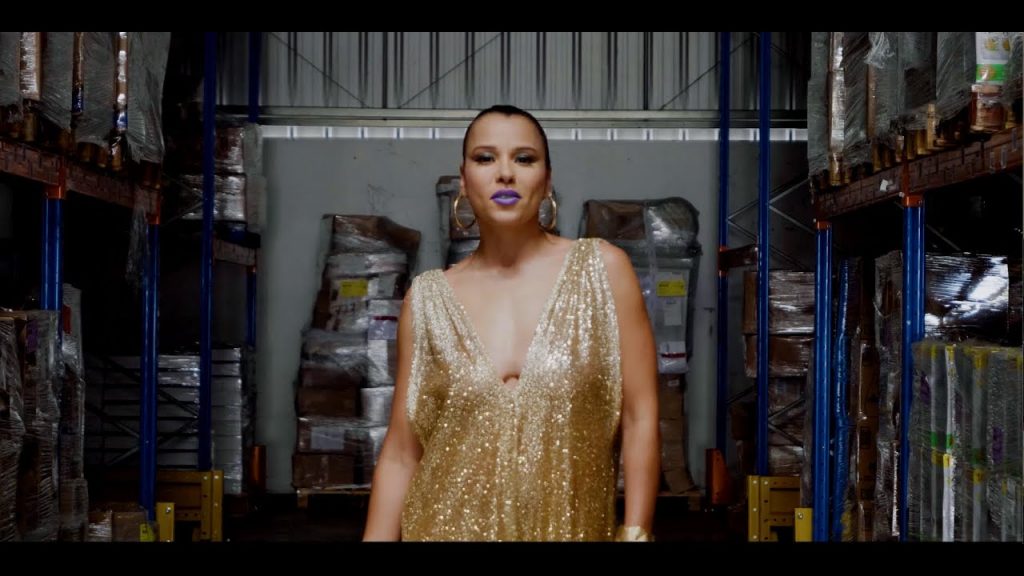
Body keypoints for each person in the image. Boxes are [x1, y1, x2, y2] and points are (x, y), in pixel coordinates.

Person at [362, 105, 660, 541]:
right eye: (485, 158)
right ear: (464, 180)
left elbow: (640, 416)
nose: (505, 173)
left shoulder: (602, 271)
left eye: (524, 158)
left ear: (548, 179)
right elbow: (402, 453)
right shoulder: (426, 300)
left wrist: (635, 532)